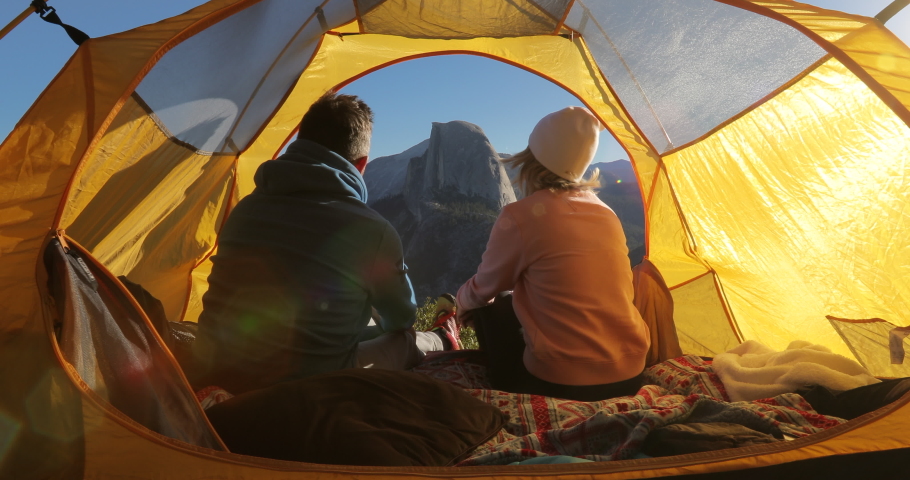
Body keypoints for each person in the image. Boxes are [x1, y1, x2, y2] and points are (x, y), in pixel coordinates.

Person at [192, 91, 446, 395]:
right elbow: (401, 319)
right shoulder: (370, 230)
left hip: (217, 367)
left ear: (298, 143)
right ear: (362, 164)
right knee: (403, 340)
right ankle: (443, 337)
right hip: (310, 386)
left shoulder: (244, 209)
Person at [455, 107, 650, 401]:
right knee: (515, 297)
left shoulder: (521, 216)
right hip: (632, 372)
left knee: (489, 307)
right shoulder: (606, 213)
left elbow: (483, 289)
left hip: (562, 383)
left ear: (531, 159)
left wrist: (459, 307)